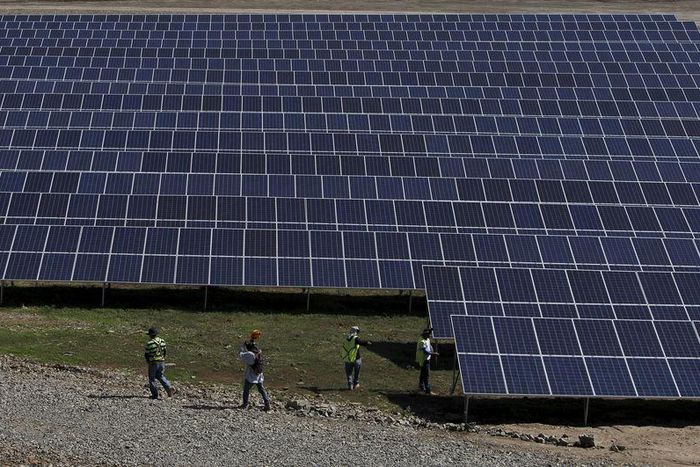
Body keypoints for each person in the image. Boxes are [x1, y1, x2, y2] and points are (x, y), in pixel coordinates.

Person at [239, 336, 270, 411]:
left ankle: (245, 404)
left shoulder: (250, 354)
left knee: (246, 390)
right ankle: (267, 403)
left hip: (251, 376)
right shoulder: (259, 352)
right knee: (261, 389)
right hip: (259, 375)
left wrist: (242, 348)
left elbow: (241, 355)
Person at [144, 327, 175, 399]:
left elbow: (147, 354)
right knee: (160, 375)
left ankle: (155, 395)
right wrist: (163, 358)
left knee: (152, 379)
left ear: (150, 335)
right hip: (161, 361)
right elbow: (164, 351)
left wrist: (148, 361)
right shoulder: (162, 341)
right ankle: (169, 387)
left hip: (153, 362)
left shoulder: (149, 343)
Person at [341, 325, 372, 390]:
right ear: (356, 331)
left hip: (348, 358)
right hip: (356, 358)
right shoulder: (355, 338)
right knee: (356, 372)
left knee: (349, 372)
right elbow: (361, 342)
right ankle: (356, 384)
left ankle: (350, 385)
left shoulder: (347, 338)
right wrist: (367, 342)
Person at [416, 328, 438, 394]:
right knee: (426, 374)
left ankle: (421, 386)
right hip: (424, 360)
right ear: (425, 335)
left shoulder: (426, 338)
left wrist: (431, 330)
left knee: (423, 373)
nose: (430, 336)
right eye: (429, 334)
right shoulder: (422, 342)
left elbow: (427, 334)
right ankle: (427, 389)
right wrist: (434, 353)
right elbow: (425, 352)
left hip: (426, 359)